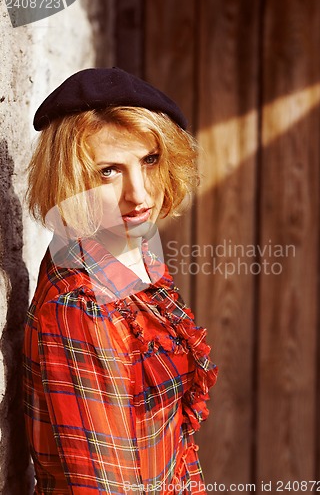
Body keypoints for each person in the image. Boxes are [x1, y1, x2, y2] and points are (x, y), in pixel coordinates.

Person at [23, 68, 218, 495]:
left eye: (149, 161)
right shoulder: (82, 303)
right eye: (108, 171)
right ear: (69, 180)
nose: (140, 194)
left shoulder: (129, 247)